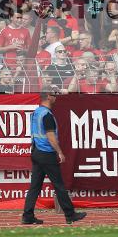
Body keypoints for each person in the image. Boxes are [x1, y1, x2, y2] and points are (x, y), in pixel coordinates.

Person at [22, 90, 87, 225]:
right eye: (54, 95)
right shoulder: (47, 115)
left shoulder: (36, 112)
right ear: (48, 97)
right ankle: (70, 214)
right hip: (47, 153)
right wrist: (59, 152)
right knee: (59, 185)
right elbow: (51, 137)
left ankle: (27, 215)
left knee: (34, 187)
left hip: (36, 151)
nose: (56, 97)